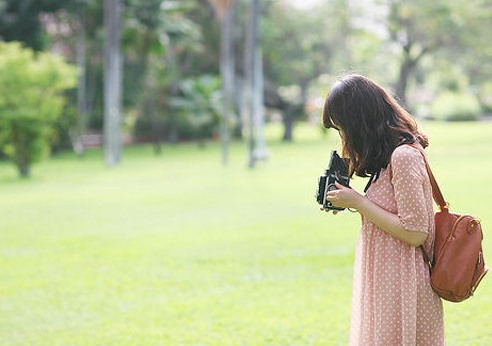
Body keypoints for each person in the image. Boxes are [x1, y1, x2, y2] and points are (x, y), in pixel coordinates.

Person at [322, 74, 445, 345]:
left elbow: (416, 233)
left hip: (404, 281)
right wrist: (349, 200)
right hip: (386, 276)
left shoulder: (403, 156)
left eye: (343, 126)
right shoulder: (387, 159)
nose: (344, 135)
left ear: (359, 121)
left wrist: (359, 202)